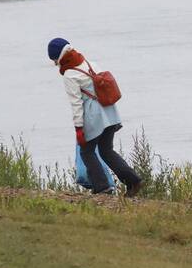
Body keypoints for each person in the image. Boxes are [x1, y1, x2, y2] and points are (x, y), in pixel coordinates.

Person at [47, 37, 141, 196]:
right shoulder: (90, 63)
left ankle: (103, 187)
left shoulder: (69, 75)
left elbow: (76, 104)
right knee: (106, 150)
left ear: (59, 57)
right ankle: (133, 181)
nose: (55, 63)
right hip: (110, 111)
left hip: (95, 116)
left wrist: (78, 129)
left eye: (55, 59)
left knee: (86, 151)